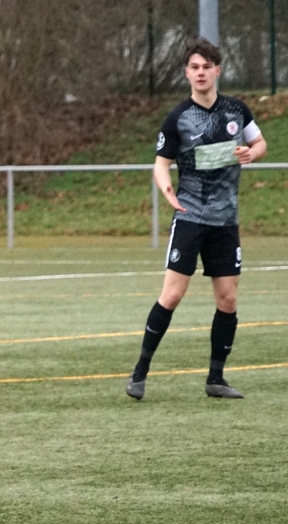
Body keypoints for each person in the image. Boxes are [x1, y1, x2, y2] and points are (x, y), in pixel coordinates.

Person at [126, 37, 267, 400]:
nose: (201, 72)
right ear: (186, 73)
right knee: (172, 295)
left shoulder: (237, 110)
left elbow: (260, 143)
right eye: (194, 67)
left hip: (226, 221)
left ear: (217, 70)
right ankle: (140, 372)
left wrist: (251, 154)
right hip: (190, 217)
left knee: (228, 300)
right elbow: (161, 163)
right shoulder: (178, 118)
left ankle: (216, 379)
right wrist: (166, 189)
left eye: (206, 66)